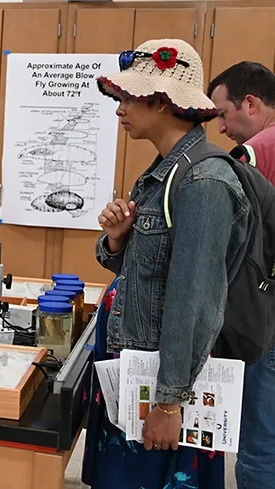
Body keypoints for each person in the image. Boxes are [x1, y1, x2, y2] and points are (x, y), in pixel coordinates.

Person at [82, 39, 252, 489]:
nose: (118, 107)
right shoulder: (162, 172)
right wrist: (118, 242)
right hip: (138, 368)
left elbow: (194, 300)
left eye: (127, 97)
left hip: (163, 384)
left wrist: (169, 403)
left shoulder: (203, 182)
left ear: (163, 102)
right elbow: (150, 273)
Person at [207, 61, 275, 489]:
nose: (220, 128)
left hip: (265, 311)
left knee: (261, 436)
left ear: (249, 103)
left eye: (222, 114)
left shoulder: (251, 155)